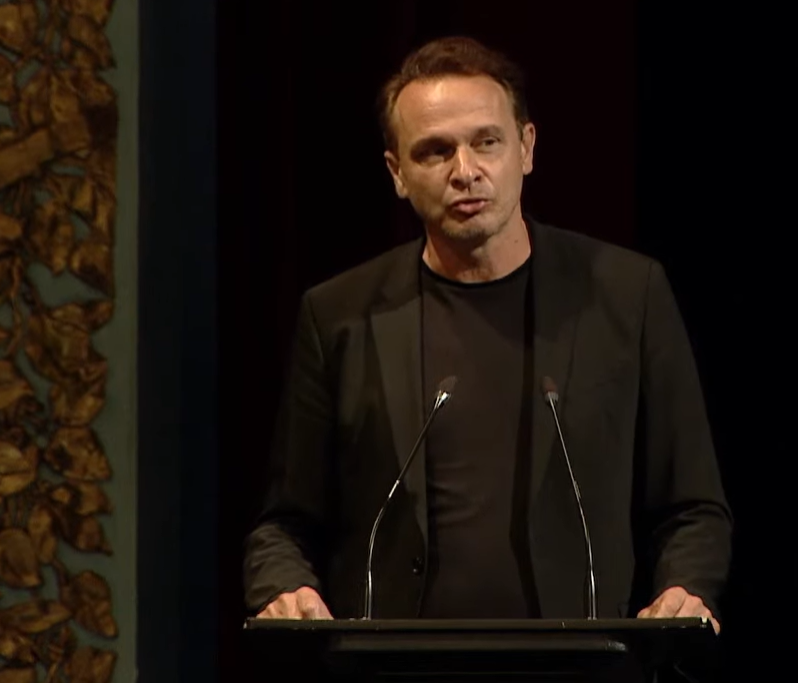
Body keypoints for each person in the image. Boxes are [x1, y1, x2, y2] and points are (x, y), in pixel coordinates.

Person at [243, 36, 732, 629]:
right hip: (397, 666)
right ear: (398, 173)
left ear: (526, 148)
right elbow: (285, 524)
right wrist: (286, 586)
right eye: (435, 151)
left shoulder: (629, 296)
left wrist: (684, 589)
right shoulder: (338, 314)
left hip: (577, 662)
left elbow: (692, 508)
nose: (465, 172)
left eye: (486, 142)